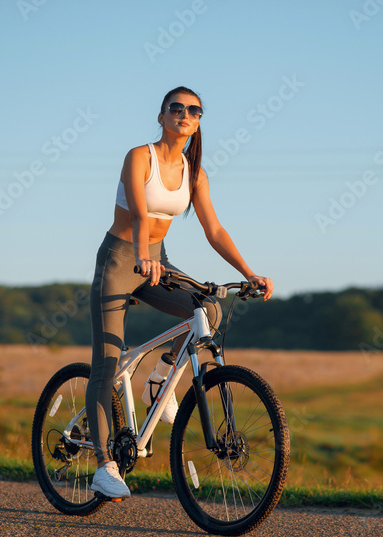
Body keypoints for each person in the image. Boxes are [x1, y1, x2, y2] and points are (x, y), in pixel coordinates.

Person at [87, 86, 273, 499]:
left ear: (199, 120)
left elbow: (214, 230)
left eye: (194, 110)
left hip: (158, 260)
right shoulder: (140, 156)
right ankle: (103, 464)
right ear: (162, 116)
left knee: (208, 308)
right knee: (106, 363)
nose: (184, 114)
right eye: (176, 107)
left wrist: (249, 272)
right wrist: (140, 255)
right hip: (122, 259)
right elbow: (138, 212)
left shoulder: (195, 172)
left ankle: (160, 378)